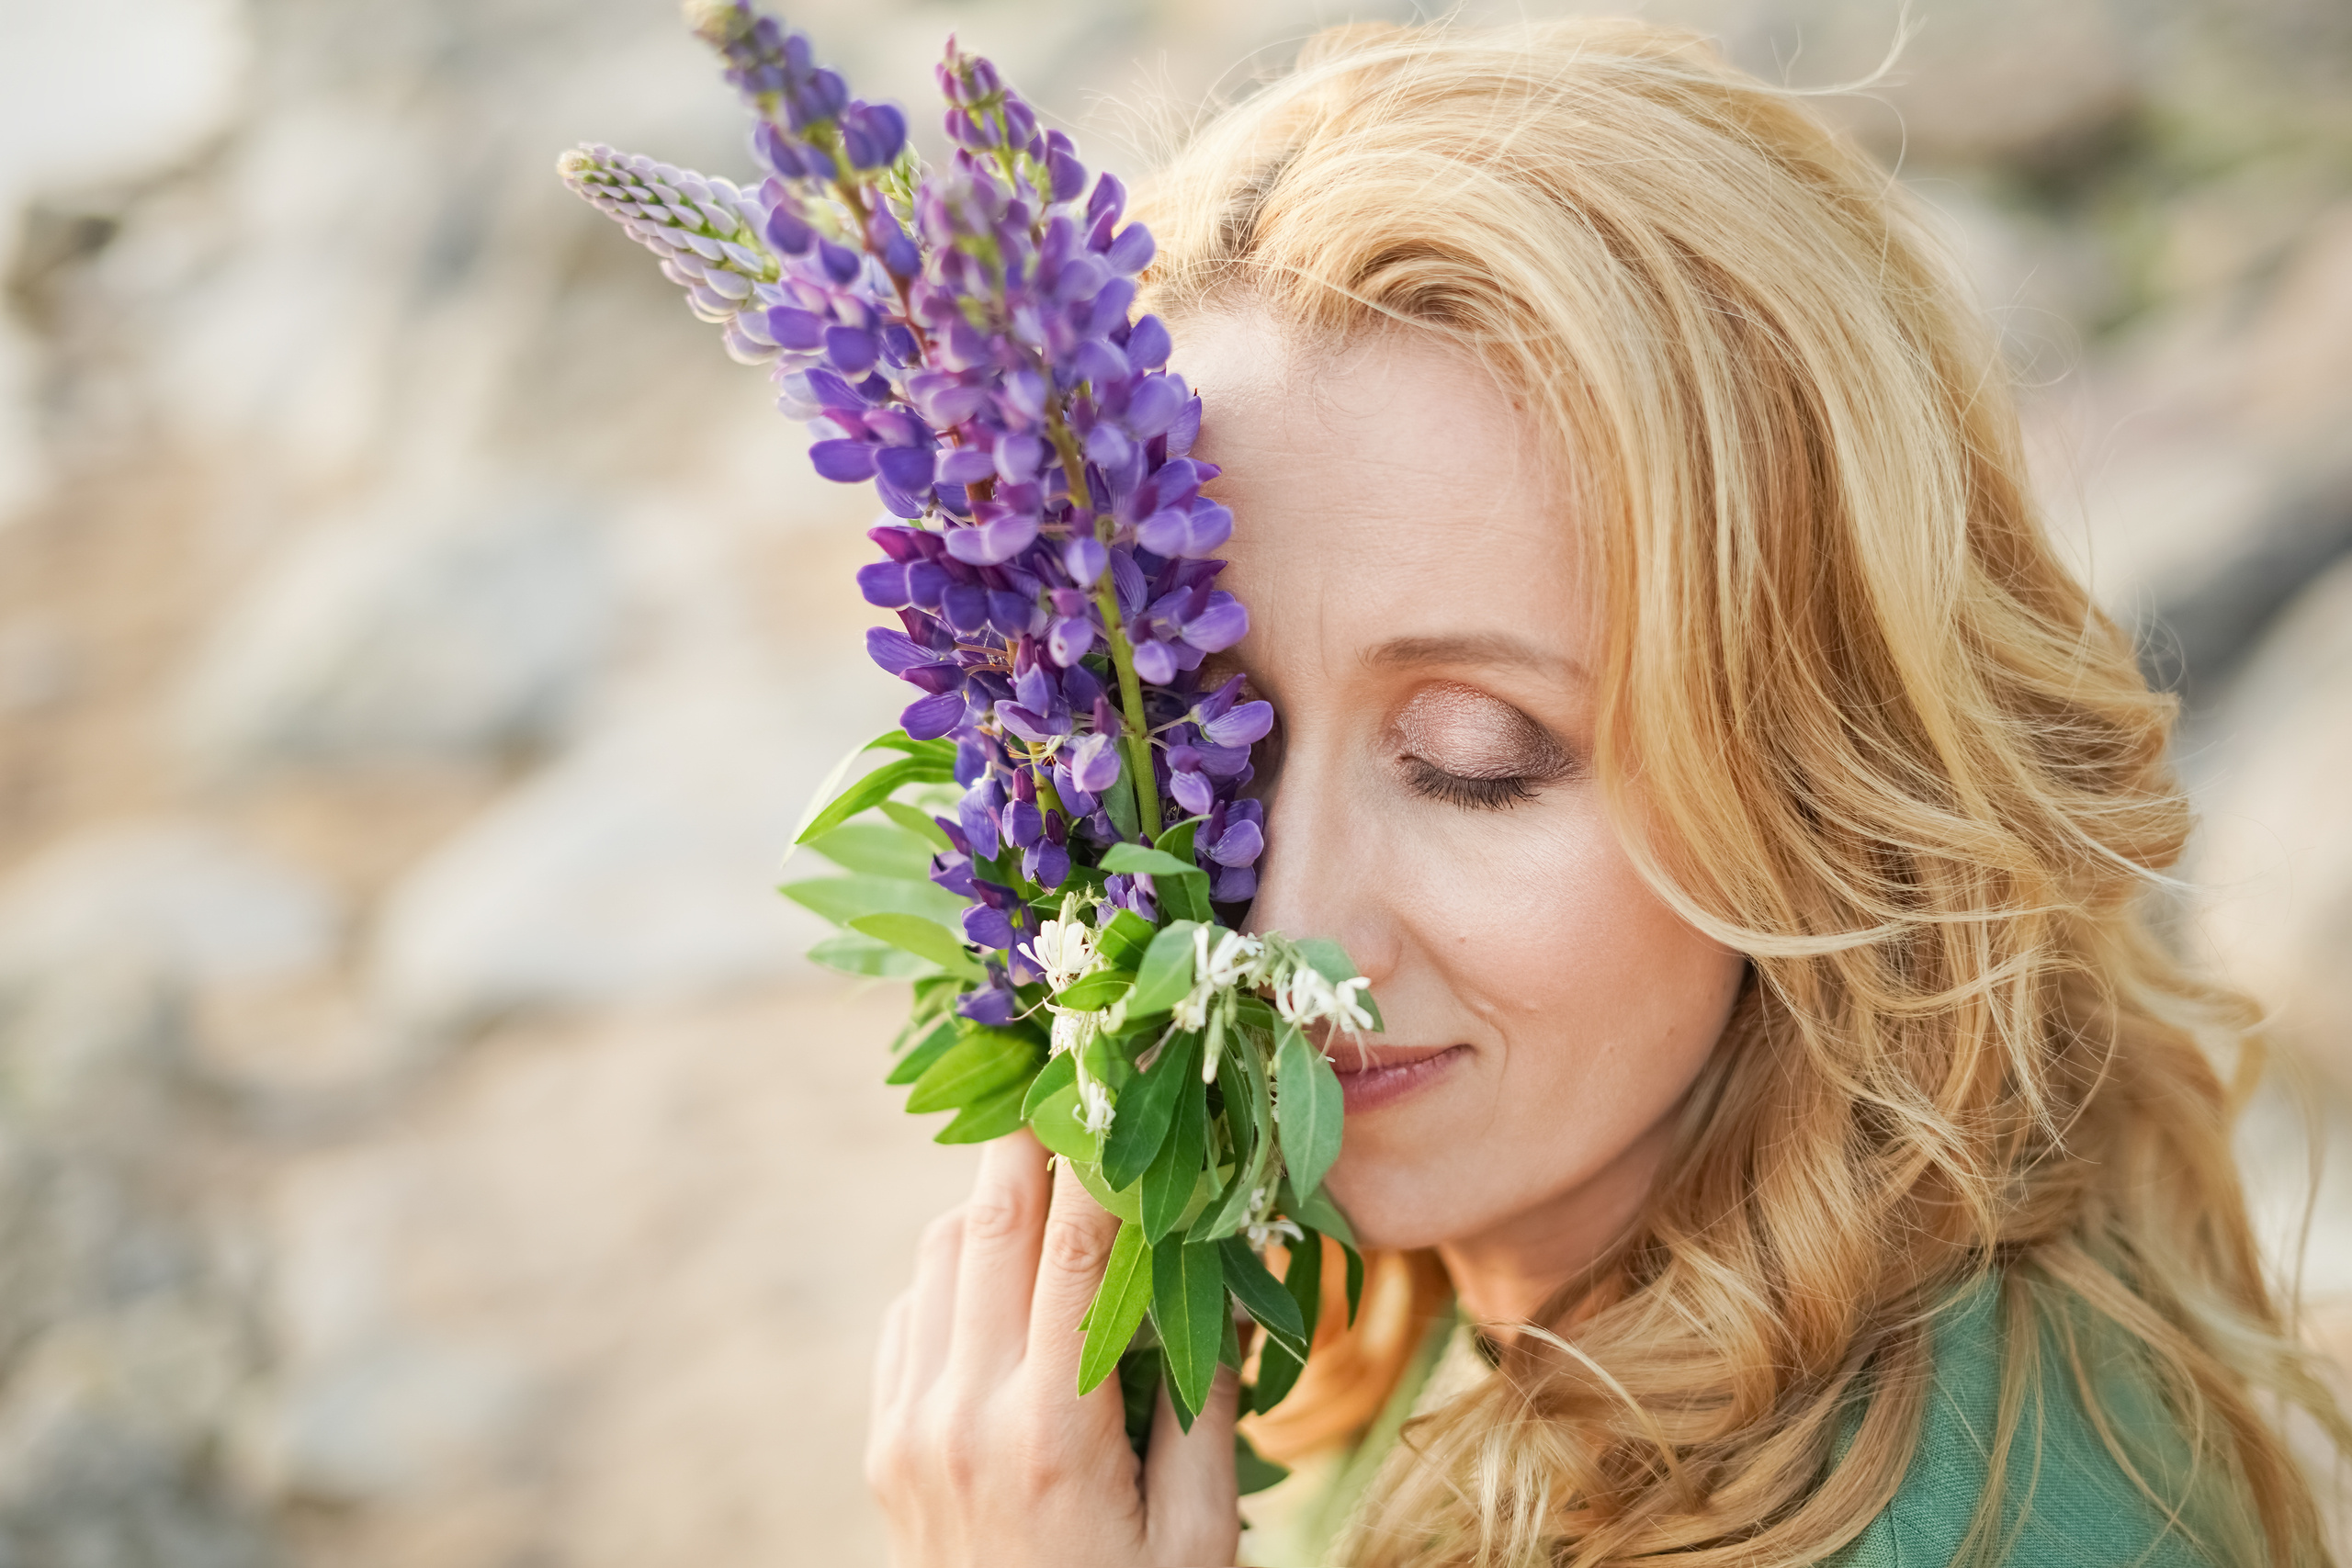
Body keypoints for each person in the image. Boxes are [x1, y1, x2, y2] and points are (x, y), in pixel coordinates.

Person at [861, 19, 2349, 1567]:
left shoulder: (1956, 1528)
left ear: (1821, 774)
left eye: (1474, 761)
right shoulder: (1467, 1291)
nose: (1291, 932)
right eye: (1208, 745)